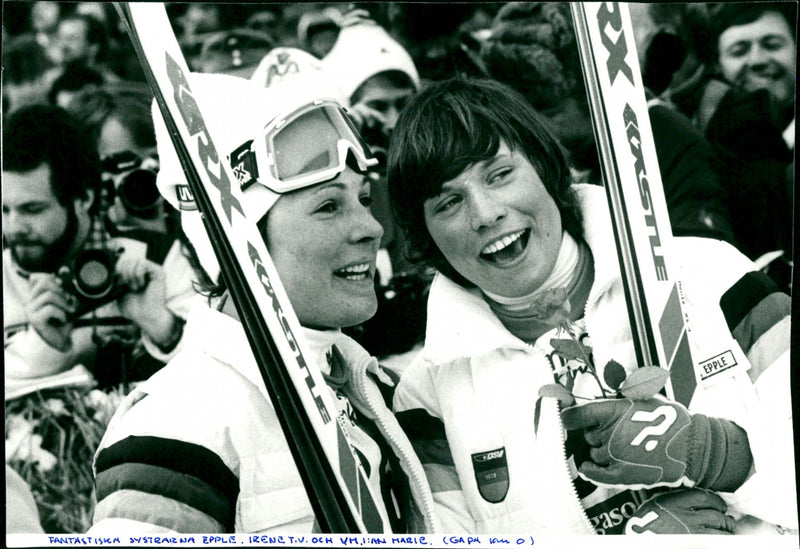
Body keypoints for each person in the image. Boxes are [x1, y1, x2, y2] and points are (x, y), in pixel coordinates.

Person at [386, 77, 795, 535]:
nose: (485, 214)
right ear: (427, 237)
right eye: (448, 202)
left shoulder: (716, 276)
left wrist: (716, 454)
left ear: (544, 166)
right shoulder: (428, 397)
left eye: (499, 175)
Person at [88, 73, 439, 534]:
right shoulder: (178, 422)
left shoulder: (366, 387)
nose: (371, 227)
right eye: (328, 206)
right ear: (238, 241)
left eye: (364, 198)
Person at [3, 105, 191, 384]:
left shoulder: (158, 259)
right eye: (4, 209)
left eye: (33, 209)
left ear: (84, 199)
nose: (13, 227)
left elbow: (227, 374)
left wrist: (163, 327)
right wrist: (45, 345)